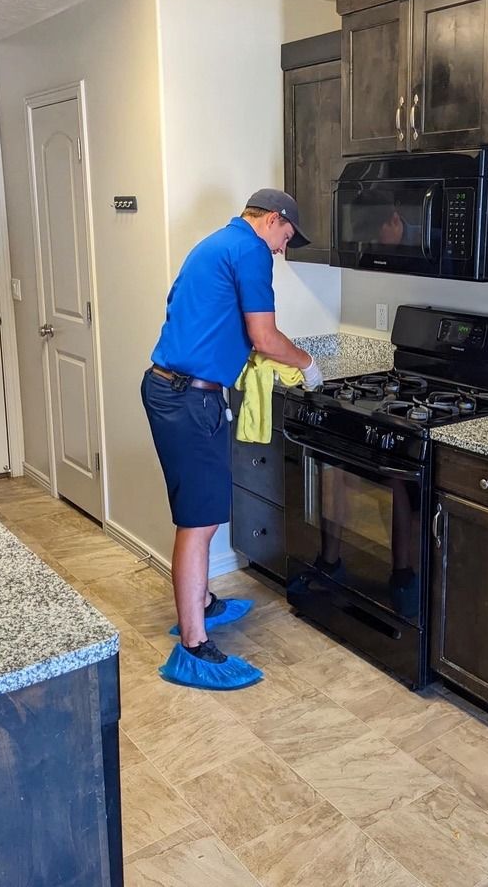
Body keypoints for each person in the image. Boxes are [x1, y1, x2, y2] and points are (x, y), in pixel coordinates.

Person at [141, 189, 323, 690]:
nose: (283, 249)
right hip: (189, 399)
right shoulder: (250, 250)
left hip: (169, 388)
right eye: (287, 236)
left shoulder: (215, 245)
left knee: (202, 509)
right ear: (272, 220)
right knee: (199, 521)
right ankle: (194, 646)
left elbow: (194, 312)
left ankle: (201, 603)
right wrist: (307, 364)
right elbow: (265, 336)